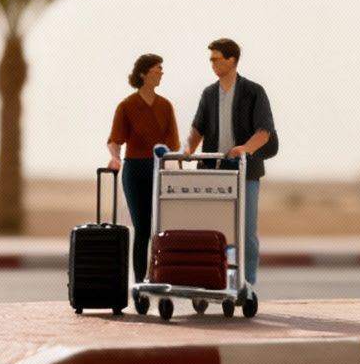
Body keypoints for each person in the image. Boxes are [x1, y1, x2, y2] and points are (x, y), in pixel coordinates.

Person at [184, 38, 275, 289]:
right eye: (211, 59)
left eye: (216, 59)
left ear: (231, 60)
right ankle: (217, 279)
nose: (212, 63)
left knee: (245, 231)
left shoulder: (253, 92)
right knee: (215, 229)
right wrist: (187, 151)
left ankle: (246, 284)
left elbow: (264, 132)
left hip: (245, 171)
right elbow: (197, 128)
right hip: (214, 172)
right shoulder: (209, 94)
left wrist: (245, 149)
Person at [107, 52, 180, 282]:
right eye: (157, 69)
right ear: (143, 74)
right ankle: (139, 281)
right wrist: (115, 158)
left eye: (161, 70)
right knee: (142, 227)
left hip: (159, 170)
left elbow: (173, 144)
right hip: (135, 170)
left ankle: (160, 276)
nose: (161, 73)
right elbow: (115, 140)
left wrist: (177, 169)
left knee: (160, 226)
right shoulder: (127, 106)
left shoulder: (165, 106)